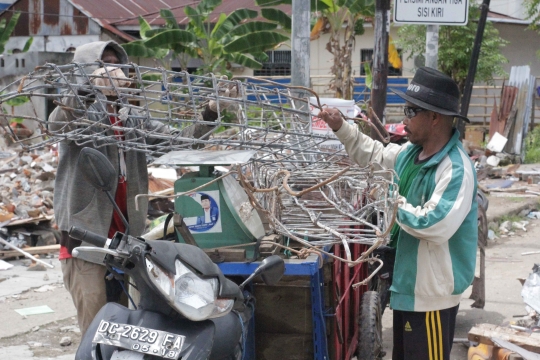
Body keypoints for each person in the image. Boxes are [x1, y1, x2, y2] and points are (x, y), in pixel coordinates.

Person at [49, 40, 234, 335]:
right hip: (85, 239)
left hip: (126, 239)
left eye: (117, 65)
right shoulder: (78, 113)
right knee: (97, 327)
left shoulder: (132, 117)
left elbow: (179, 141)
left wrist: (211, 112)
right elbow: (57, 124)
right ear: (86, 72)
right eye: (104, 64)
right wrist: (85, 91)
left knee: (128, 326)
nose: (114, 71)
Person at [318, 67, 478, 360]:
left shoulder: (455, 169)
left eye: (410, 110)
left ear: (434, 118)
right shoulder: (409, 154)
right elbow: (375, 155)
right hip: (408, 288)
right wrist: (341, 127)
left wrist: (389, 198)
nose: (404, 119)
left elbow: (433, 223)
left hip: (431, 297)